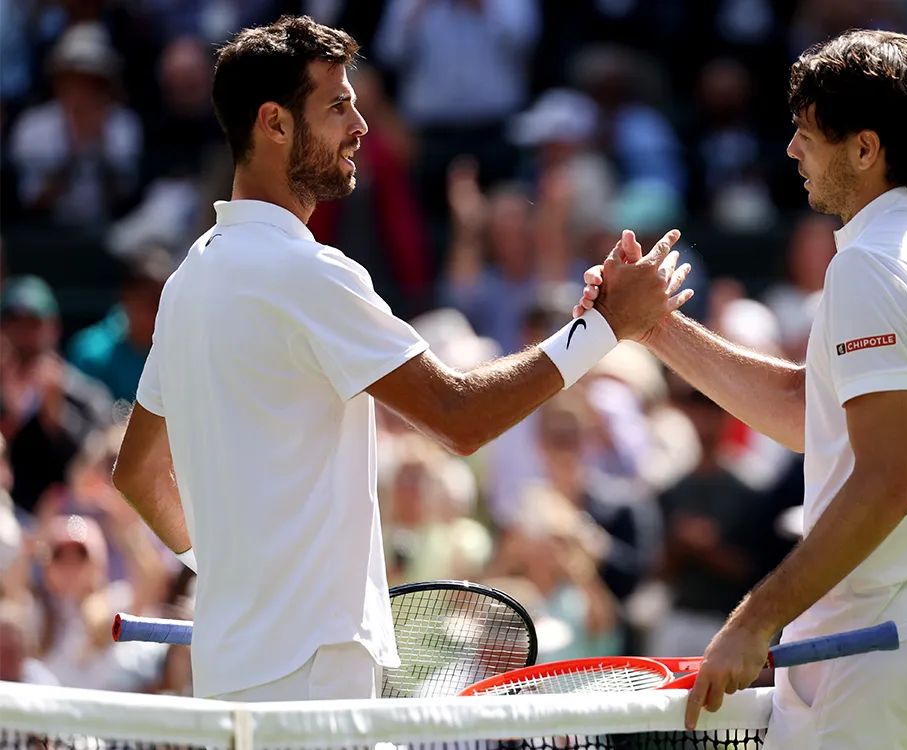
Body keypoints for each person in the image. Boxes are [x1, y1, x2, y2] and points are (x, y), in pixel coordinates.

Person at [110, 15, 691, 704]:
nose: (360, 126)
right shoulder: (310, 273)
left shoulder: (188, 280)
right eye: (337, 106)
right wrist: (604, 327)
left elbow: (140, 474)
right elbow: (458, 417)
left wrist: (228, 573)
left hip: (229, 673)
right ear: (274, 124)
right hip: (315, 677)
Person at [577, 29, 907, 748]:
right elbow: (812, 415)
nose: (791, 149)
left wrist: (753, 620)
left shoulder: (871, 266)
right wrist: (655, 329)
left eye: (808, 132)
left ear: (865, 149)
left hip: (872, 656)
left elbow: (883, 484)